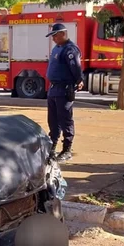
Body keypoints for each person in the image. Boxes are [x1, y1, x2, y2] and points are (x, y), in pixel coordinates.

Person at [45, 23, 84, 162]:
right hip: (53, 89)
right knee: (53, 121)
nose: (53, 38)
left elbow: (76, 68)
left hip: (64, 89)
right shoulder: (57, 48)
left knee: (65, 120)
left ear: (63, 34)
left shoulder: (70, 49)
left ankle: (67, 149)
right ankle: (52, 148)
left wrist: (79, 80)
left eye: (55, 35)